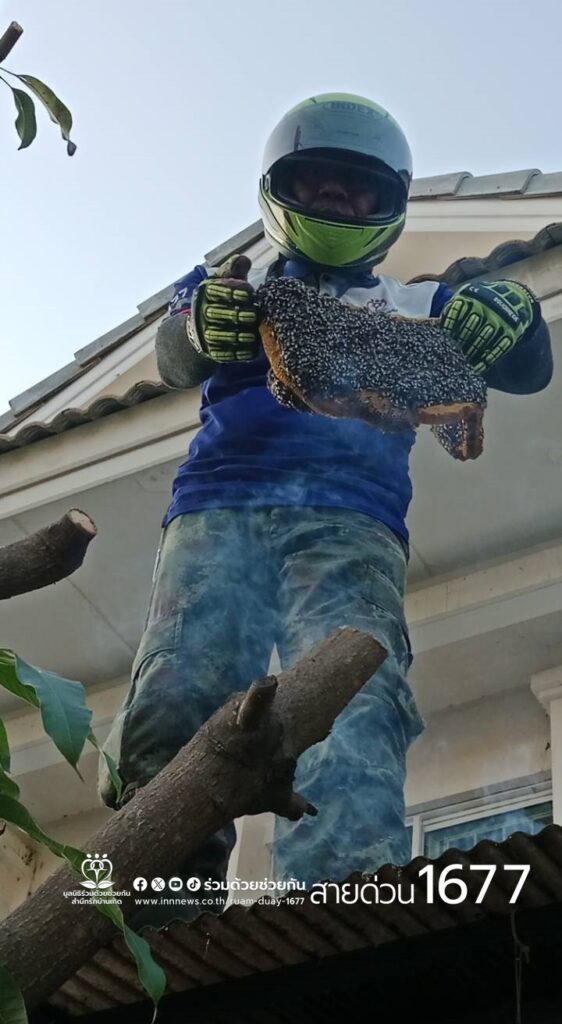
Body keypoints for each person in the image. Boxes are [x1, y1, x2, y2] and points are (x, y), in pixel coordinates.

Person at [98, 93, 552, 917]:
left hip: (355, 525)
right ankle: (151, 918)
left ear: (389, 204)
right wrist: (199, 328)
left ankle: (347, 906)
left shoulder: (419, 305)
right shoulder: (231, 290)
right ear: (281, 192)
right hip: (216, 513)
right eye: (318, 182)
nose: (338, 199)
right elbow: (174, 354)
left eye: (358, 187)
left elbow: (525, 367)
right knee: (177, 697)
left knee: (353, 708)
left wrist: (515, 315)